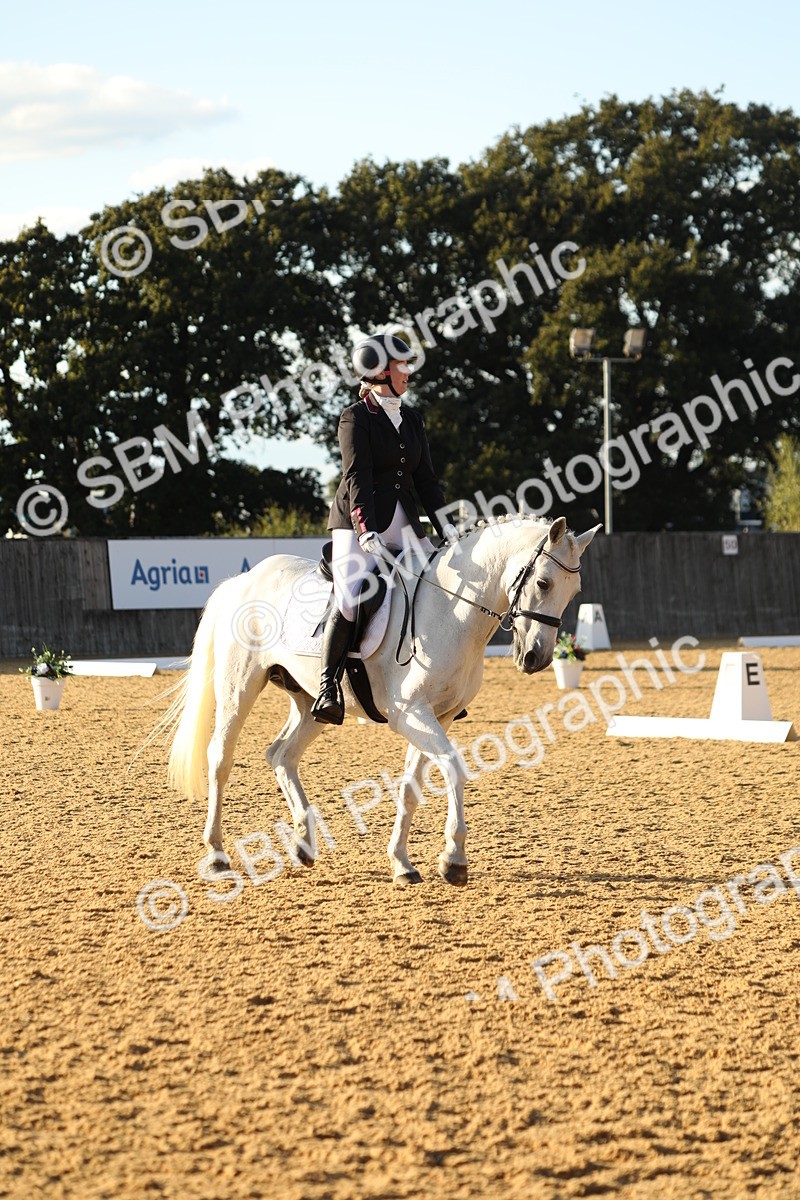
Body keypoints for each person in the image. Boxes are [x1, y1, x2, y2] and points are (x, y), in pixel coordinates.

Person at [311, 332, 458, 724]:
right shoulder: (354, 418)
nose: (408, 371)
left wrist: (448, 528)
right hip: (358, 520)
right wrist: (364, 528)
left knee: (440, 582)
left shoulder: (411, 418)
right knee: (350, 596)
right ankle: (328, 685)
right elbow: (356, 475)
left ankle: (442, 678)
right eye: (401, 365)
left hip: (402, 517)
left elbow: (425, 480)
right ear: (379, 372)